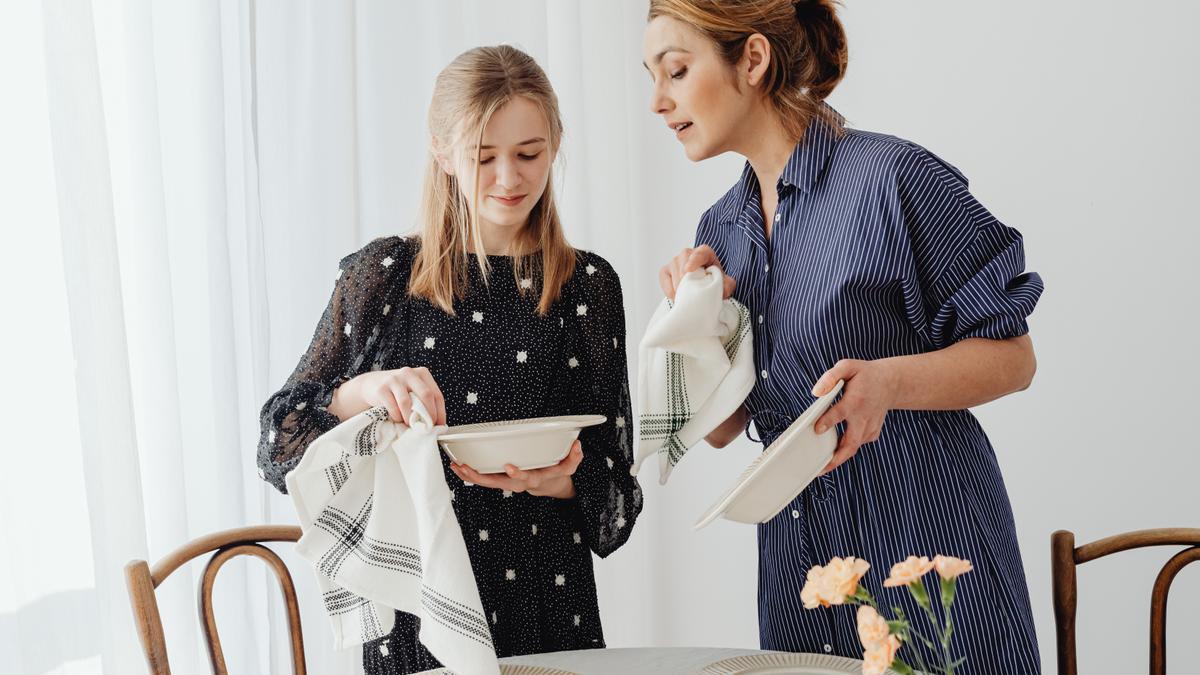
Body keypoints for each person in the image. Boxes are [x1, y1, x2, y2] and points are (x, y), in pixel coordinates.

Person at [644, 1, 1043, 671]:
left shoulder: (893, 179)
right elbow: (722, 427)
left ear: (752, 59)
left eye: (676, 71)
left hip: (924, 548)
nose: (658, 101)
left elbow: (1015, 357)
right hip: (800, 574)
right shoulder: (721, 228)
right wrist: (697, 321)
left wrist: (887, 383)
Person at [258, 45, 642, 674]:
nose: (508, 179)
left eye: (529, 153)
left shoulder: (589, 287)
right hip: (419, 618)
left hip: (550, 607)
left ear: (556, 143)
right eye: (482, 157)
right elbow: (279, 441)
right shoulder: (383, 278)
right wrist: (367, 389)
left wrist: (562, 479)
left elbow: (616, 505)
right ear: (441, 151)